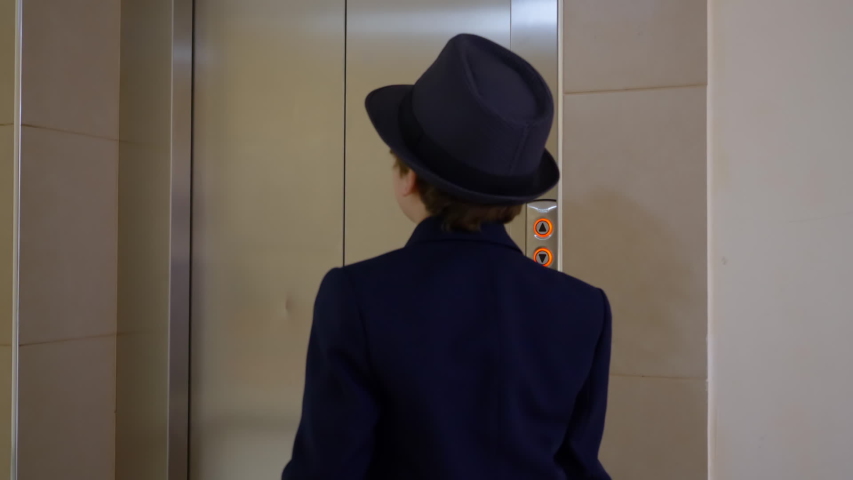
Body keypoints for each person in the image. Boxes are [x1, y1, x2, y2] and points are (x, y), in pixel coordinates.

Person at [282, 33, 611, 480]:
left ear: (409, 179)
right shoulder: (584, 307)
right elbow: (579, 466)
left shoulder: (357, 296)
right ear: (514, 197)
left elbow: (327, 470)